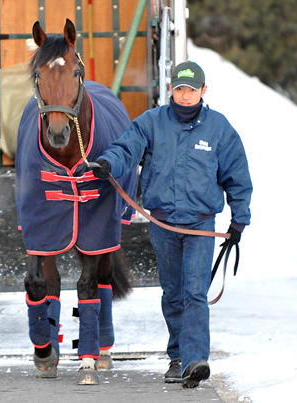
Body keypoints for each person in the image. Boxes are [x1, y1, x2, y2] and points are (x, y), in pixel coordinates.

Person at [92, 61, 252, 388]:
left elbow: (238, 177)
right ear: (171, 89)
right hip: (162, 223)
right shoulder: (151, 123)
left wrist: (239, 219)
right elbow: (126, 147)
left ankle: (195, 361)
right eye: (179, 89)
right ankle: (177, 356)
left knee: (194, 292)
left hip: (200, 226)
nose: (185, 95)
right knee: (173, 292)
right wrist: (109, 162)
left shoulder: (219, 129)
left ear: (203, 92)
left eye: (191, 90)